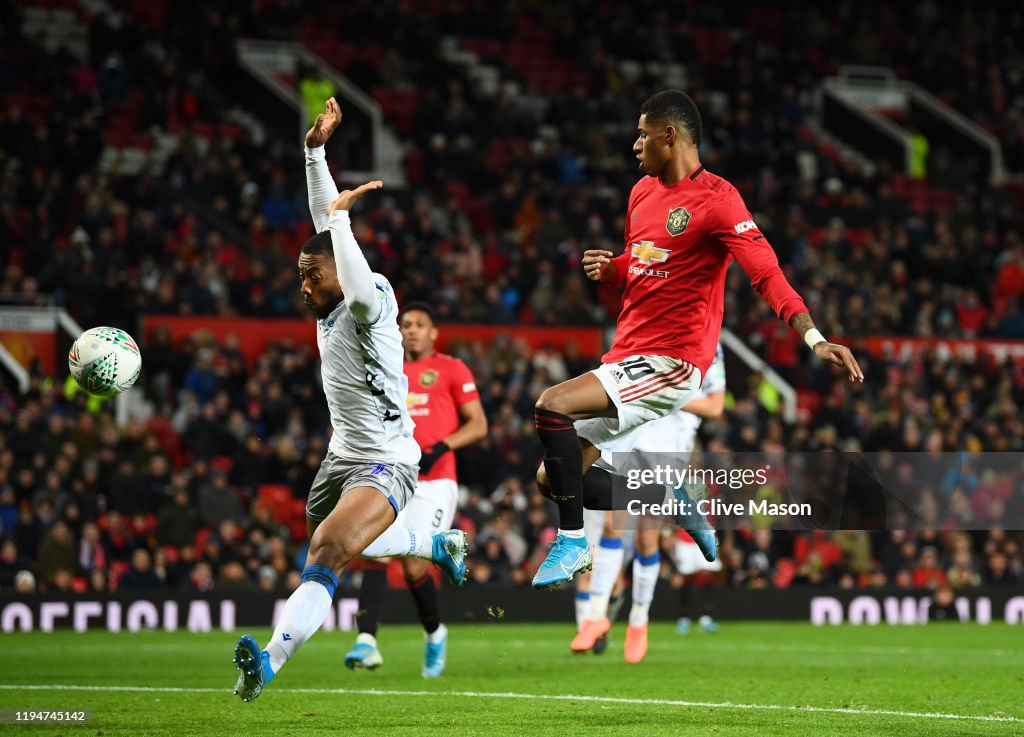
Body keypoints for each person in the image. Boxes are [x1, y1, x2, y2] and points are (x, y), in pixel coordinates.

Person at [532, 89, 863, 589]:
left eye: (643, 134)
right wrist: (613, 271)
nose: (635, 144)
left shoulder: (718, 200)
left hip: (673, 362)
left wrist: (813, 337)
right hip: (628, 354)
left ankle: (574, 542)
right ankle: (668, 502)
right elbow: (644, 264)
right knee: (552, 478)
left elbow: (765, 273)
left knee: (551, 405)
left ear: (670, 136)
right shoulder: (641, 193)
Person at [232, 98, 468, 702]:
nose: (303, 284)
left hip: (388, 460)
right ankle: (430, 544)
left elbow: (350, 268)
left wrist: (340, 224)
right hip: (339, 459)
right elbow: (323, 222)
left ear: (339, 270)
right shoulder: (330, 284)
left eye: (312, 275)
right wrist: (316, 152)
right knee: (334, 553)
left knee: (330, 550)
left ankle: (267, 662)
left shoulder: (370, 304)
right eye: (301, 275)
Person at [345, 301, 488, 677]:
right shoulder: (387, 369)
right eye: (406, 324)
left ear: (433, 332)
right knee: (374, 549)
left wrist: (441, 446)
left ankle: (435, 633)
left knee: (412, 566)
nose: (411, 330)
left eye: (419, 324)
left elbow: (478, 425)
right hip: (393, 476)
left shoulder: (452, 368)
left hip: (436, 482)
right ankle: (366, 642)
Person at [572, 344, 726, 663]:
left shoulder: (712, 347)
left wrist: (670, 395)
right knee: (613, 530)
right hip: (634, 435)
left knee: (646, 539)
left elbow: (714, 406)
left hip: (669, 448)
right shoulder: (648, 331)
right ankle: (596, 617)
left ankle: (639, 622)